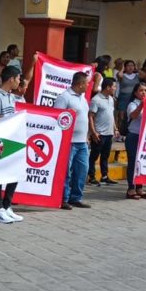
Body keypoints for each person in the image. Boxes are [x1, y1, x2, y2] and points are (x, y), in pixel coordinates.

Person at [0, 65, 26, 223]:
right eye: (18, 79)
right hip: (1, 141)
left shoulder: (11, 96)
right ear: (11, 79)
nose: (19, 82)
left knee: (14, 172)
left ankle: (6, 205)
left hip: (12, 139)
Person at [54, 72, 91, 209]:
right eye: (87, 83)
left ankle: (76, 197)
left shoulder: (83, 98)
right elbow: (57, 118)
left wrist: (86, 136)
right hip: (68, 142)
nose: (88, 85)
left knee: (82, 170)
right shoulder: (64, 97)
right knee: (66, 171)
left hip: (82, 142)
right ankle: (63, 198)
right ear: (80, 84)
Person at [123, 82, 146, 200]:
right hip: (133, 136)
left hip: (145, 138)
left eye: (145, 90)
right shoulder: (132, 104)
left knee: (142, 163)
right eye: (141, 90)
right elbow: (133, 116)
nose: (143, 92)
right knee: (133, 163)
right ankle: (130, 188)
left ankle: (140, 187)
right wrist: (142, 105)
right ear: (135, 93)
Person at [88, 77, 117, 186]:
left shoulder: (111, 99)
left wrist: (115, 128)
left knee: (105, 156)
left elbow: (111, 116)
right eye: (114, 86)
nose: (115, 89)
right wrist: (93, 132)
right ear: (108, 87)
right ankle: (91, 177)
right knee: (94, 156)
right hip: (99, 133)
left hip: (109, 133)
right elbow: (90, 116)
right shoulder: (96, 99)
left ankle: (104, 176)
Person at [115, 59, 139, 134]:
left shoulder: (137, 75)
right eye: (128, 66)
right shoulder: (123, 75)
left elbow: (144, 74)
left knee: (132, 115)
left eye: (132, 65)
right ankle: (120, 132)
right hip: (123, 97)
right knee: (121, 116)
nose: (130, 67)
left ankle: (128, 131)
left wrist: (137, 68)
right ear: (125, 67)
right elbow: (119, 75)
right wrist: (122, 68)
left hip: (133, 98)